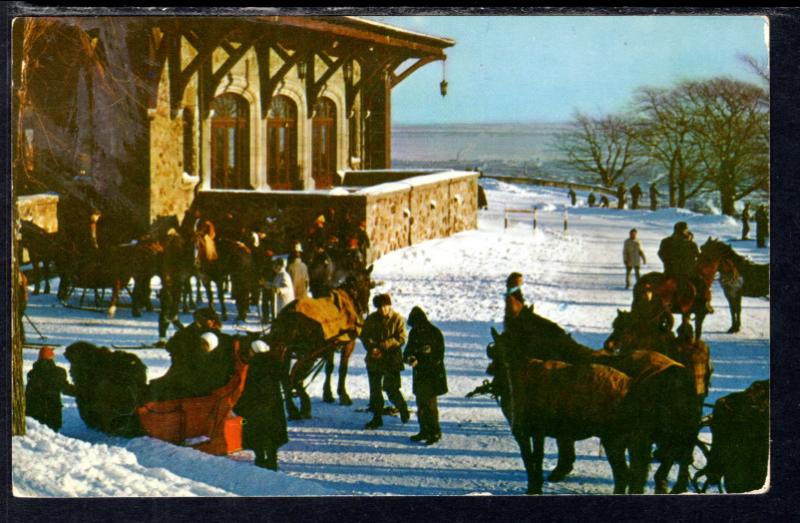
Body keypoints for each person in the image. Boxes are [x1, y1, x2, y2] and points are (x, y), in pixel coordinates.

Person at [234, 340, 288, 470]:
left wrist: (239, 406)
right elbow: (286, 380)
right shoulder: (276, 362)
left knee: (256, 432)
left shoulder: (251, 365)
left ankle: (260, 459)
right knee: (272, 432)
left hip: (254, 405)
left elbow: (245, 387)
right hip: (273, 405)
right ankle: (272, 459)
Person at [149, 307, 221, 400]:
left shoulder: (216, 336)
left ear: (212, 321)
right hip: (183, 369)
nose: (199, 322)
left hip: (200, 375)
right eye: (197, 319)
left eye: (202, 319)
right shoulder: (192, 331)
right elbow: (170, 345)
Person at [360, 293, 409, 429]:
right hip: (374, 360)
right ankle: (377, 418)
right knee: (375, 391)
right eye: (380, 307)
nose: (383, 310)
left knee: (391, 389)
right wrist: (371, 347)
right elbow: (364, 335)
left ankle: (402, 408)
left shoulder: (397, 319)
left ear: (389, 306)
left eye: (385, 306)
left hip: (391, 360)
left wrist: (383, 345)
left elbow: (401, 338)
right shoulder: (371, 319)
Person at [403, 306, 448, 445]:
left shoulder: (434, 333)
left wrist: (421, 359)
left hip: (432, 375)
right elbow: (407, 351)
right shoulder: (414, 333)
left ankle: (434, 432)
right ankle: (423, 430)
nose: (416, 327)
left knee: (430, 405)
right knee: (421, 405)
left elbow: (438, 356)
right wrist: (409, 358)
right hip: (419, 375)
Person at [658, 222, 712, 313]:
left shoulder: (667, 241)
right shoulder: (688, 243)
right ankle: (703, 305)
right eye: (684, 230)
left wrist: (668, 262)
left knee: (701, 283)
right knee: (702, 284)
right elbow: (698, 256)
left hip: (673, 270)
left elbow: (661, 254)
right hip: (685, 272)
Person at [25, 346, 76, 431]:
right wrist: (81, 391)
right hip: (52, 411)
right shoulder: (58, 372)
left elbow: (28, 393)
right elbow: (66, 388)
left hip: (34, 411)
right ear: (52, 357)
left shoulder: (32, 373)